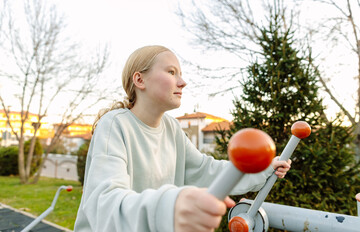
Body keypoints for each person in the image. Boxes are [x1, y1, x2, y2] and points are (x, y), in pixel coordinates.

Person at [74, 45, 291, 232]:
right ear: (140, 80)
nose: (183, 82)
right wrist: (169, 207)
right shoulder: (115, 124)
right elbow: (105, 203)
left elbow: (206, 171)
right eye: (171, 72)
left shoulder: (172, 128)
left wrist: (262, 167)